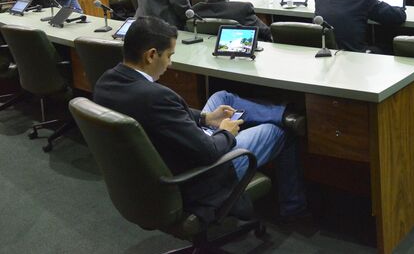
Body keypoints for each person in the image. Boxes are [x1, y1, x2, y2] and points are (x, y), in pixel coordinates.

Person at [92, 17, 306, 224]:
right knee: (278, 132)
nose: (170, 63)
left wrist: (206, 118)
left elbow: (167, 117)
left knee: (222, 97)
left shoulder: (105, 82)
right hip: (199, 174)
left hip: (169, 156)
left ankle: (284, 115)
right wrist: (226, 132)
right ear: (151, 55)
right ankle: (293, 209)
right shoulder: (156, 97)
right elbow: (209, 151)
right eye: (169, 56)